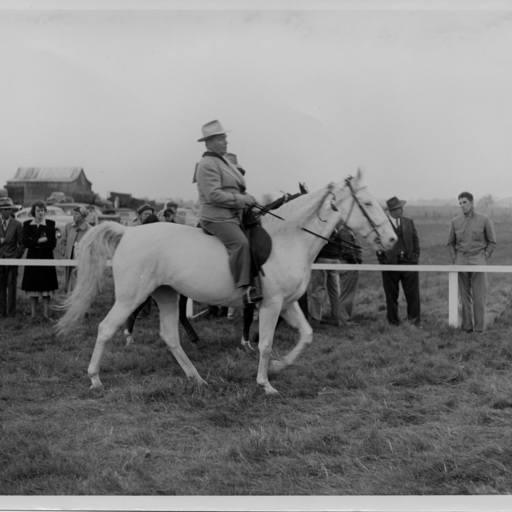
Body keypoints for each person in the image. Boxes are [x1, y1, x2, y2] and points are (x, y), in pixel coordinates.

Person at [193, 119, 261, 303]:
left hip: (232, 215)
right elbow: (213, 195)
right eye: (221, 138)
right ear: (209, 142)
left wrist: (249, 199)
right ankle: (244, 290)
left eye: (225, 138)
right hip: (216, 217)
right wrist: (241, 200)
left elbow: (234, 188)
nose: (226, 141)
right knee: (241, 243)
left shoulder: (223, 161)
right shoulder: (207, 163)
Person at [447, 191, 496, 333]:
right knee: (464, 295)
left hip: (478, 260)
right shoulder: (455, 221)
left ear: (472, 203)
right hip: (461, 260)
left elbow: (492, 242)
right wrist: (455, 258)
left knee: (479, 296)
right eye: (460, 203)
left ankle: (479, 329)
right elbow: (450, 243)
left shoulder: (484, 220)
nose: (462, 205)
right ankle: (467, 327)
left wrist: (485, 256)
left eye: (465, 202)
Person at [376, 196, 421, 326]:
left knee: (413, 294)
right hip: (390, 265)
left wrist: (414, 258)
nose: (402, 210)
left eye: (401, 208)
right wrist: (383, 261)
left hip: (409, 263)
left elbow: (415, 241)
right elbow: (378, 245)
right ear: (392, 211)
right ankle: (393, 322)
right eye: (399, 208)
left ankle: (414, 321)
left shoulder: (408, 222)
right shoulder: (382, 226)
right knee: (391, 295)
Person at [21, 200, 59, 320]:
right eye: (38, 211)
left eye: (42, 210)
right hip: (32, 258)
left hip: (46, 257)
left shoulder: (50, 224)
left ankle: (46, 314)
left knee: (46, 287)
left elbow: (52, 243)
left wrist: (35, 242)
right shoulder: (27, 224)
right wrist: (39, 240)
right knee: (32, 286)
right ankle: (33, 314)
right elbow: (26, 242)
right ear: (34, 212)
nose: (41, 213)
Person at [308, 227, 341, 326]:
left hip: (322, 259)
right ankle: (337, 316)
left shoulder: (320, 228)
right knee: (335, 290)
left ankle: (315, 318)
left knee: (318, 289)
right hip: (335, 260)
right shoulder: (336, 229)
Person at [0, 197, 24, 317]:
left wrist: (16, 257)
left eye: (9, 209)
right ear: (1, 211)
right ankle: (2, 312)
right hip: (0, 260)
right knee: (1, 286)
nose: (8, 211)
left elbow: (22, 243)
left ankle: (11, 312)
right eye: (5, 209)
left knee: (12, 286)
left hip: (12, 259)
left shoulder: (17, 224)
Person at [61, 205, 92, 293]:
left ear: (83, 216)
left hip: (82, 262)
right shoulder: (68, 226)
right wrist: (63, 249)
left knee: (80, 284)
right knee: (70, 282)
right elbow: (63, 240)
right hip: (69, 260)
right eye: (73, 213)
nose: (74, 216)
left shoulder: (89, 229)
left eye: (77, 214)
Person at [338, 226, 362, 325]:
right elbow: (347, 251)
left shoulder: (347, 230)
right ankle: (344, 321)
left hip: (348, 264)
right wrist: (355, 263)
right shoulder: (345, 231)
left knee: (347, 293)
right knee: (347, 294)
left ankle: (344, 319)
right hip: (348, 265)